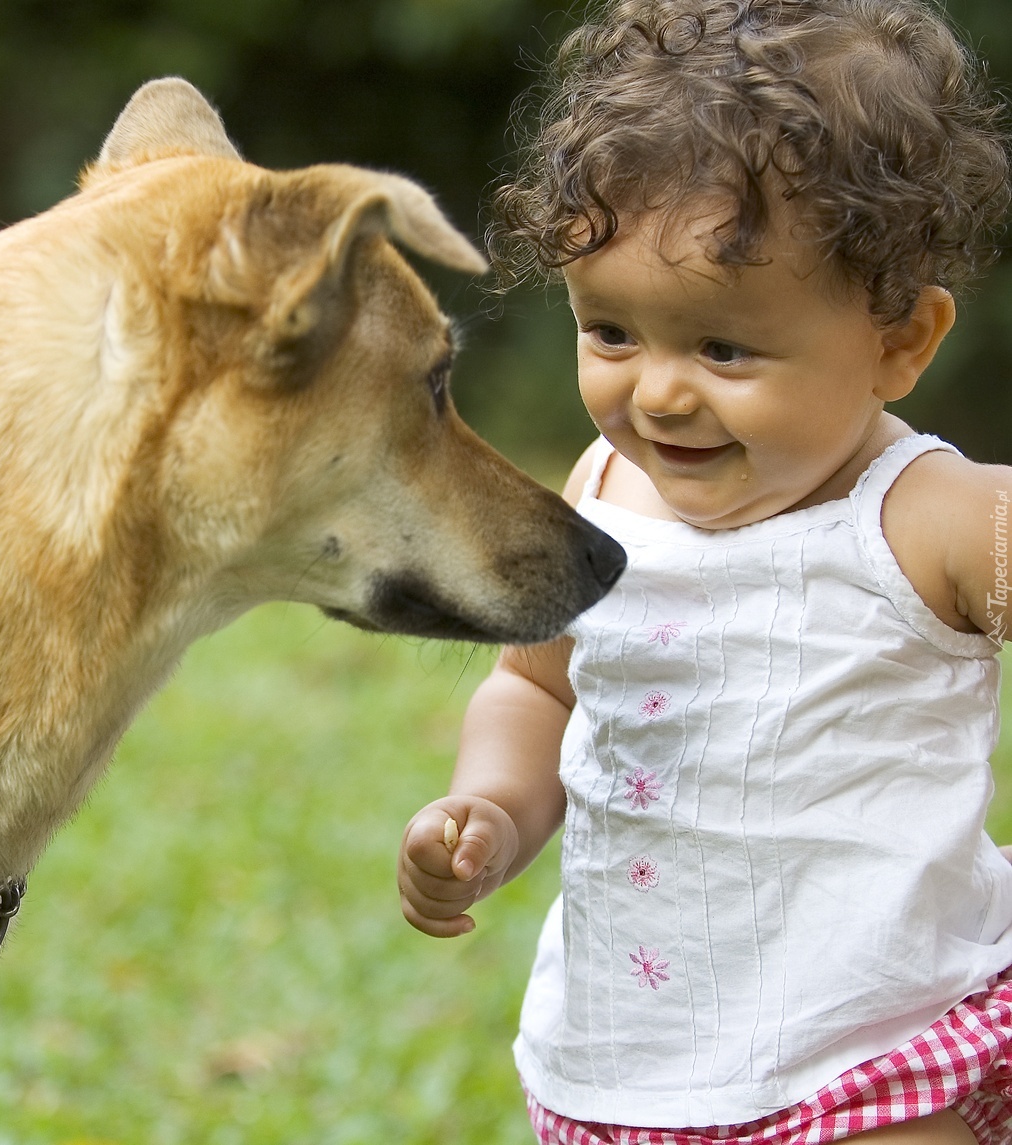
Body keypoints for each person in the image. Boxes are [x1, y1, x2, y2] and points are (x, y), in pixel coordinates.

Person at [397, 1, 1012, 1141]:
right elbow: (536, 685)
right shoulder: (594, 490)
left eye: (723, 347)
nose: (661, 392)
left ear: (900, 340)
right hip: (628, 1056)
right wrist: (487, 806)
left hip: (881, 1047)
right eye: (613, 332)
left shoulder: (929, 516)